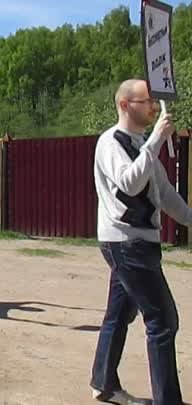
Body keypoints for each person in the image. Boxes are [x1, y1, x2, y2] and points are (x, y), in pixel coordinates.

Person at [90, 79, 189, 405]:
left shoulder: (140, 144)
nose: (152, 106)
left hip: (139, 243)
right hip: (126, 243)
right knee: (163, 320)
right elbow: (130, 183)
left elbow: (165, 195)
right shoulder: (111, 142)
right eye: (145, 101)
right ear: (124, 105)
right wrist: (157, 139)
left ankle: (104, 384)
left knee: (118, 315)